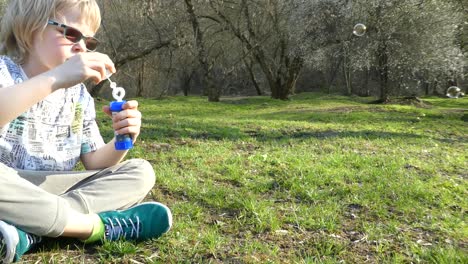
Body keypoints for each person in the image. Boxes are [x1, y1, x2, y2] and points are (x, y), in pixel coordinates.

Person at [0, 0, 172, 263]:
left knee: (140, 172)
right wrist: (56, 78)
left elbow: (93, 161)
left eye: (89, 41)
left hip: (54, 189)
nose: (81, 46)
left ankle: (30, 230)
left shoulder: (79, 95)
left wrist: (121, 139)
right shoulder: (5, 72)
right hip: (9, 187)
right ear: (30, 27)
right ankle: (90, 227)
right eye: (71, 34)